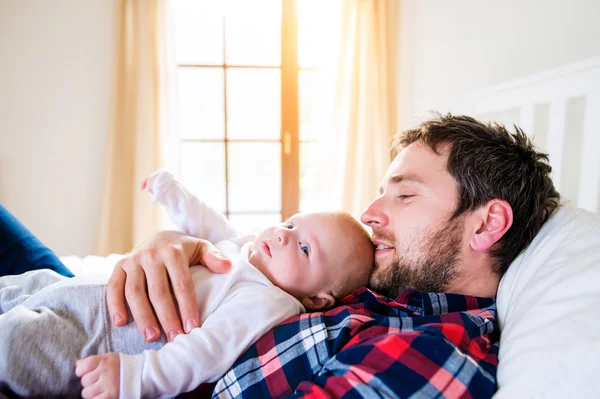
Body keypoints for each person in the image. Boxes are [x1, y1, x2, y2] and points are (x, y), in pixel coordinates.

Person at [104, 114, 560, 398]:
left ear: (485, 224)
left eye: (404, 195)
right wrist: (176, 245)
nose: (369, 213)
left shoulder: (431, 351)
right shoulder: (378, 292)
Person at [0, 170, 374, 398]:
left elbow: (205, 352)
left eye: (305, 247)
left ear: (318, 299)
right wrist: (173, 193)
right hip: (80, 288)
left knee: (15, 343)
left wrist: (138, 377)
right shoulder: (248, 251)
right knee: (23, 285)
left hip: (99, 332)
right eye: (291, 224)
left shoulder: (268, 302)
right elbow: (210, 227)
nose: (282, 236)